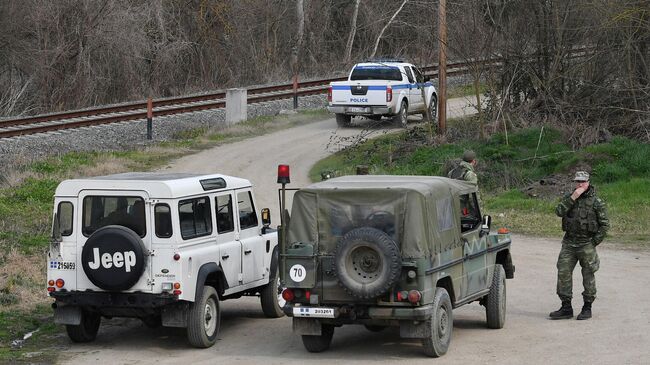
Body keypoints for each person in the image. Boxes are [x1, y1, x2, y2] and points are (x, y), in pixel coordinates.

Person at [550, 171, 609, 320]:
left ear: (588, 182)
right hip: (569, 243)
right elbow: (559, 211)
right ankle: (566, 307)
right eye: (578, 181)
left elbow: (604, 225)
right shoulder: (569, 198)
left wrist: (594, 242)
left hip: (586, 244)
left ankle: (587, 307)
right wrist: (573, 198)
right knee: (563, 273)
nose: (580, 184)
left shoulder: (596, 202)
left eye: (583, 181)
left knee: (588, 275)